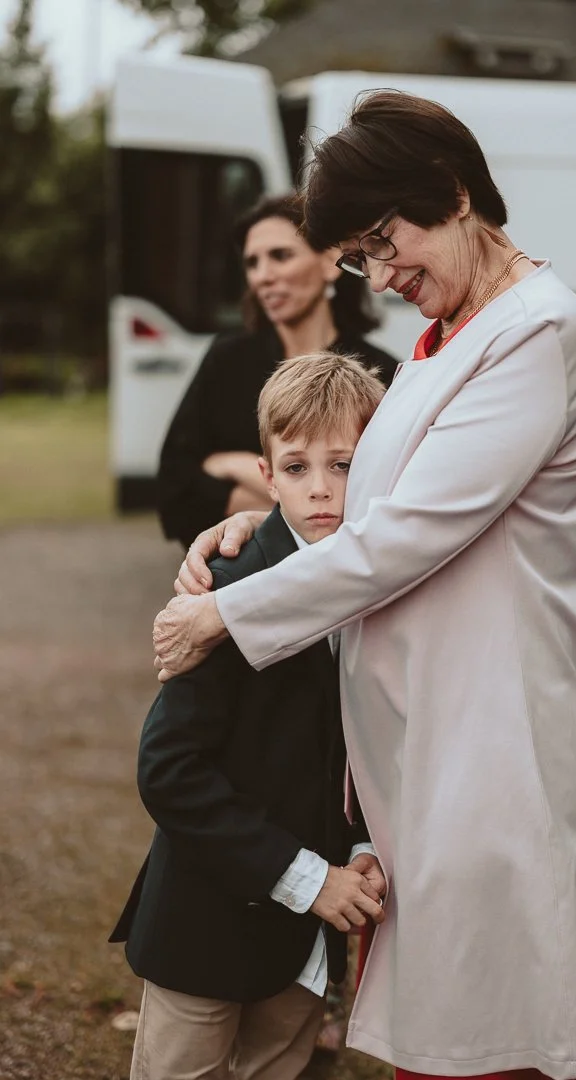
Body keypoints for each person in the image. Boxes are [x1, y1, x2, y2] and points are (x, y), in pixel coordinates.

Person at [151, 90, 576, 1080]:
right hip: (413, 742)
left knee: (491, 1030)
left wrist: (225, 612)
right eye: (361, 256)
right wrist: (257, 528)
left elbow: (407, 535)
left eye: (383, 241)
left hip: (486, 730)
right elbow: (365, 498)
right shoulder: (444, 337)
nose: (383, 274)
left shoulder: (539, 333)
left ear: (453, 192)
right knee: (439, 1022)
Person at [111, 351, 388, 1080]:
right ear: (267, 476)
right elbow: (169, 771)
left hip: (307, 943)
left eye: (344, 465)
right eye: (297, 468)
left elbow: (365, 748)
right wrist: (308, 879)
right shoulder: (228, 587)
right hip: (206, 922)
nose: (321, 488)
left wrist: (364, 845)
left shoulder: (387, 593)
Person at [156, 193, 397, 548]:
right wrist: (297, 509)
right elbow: (175, 494)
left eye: (280, 256)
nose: (263, 276)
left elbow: (381, 501)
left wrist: (234, 467)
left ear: (330, 261)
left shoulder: (377, 373)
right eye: (252, 263)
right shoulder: (227, 361)